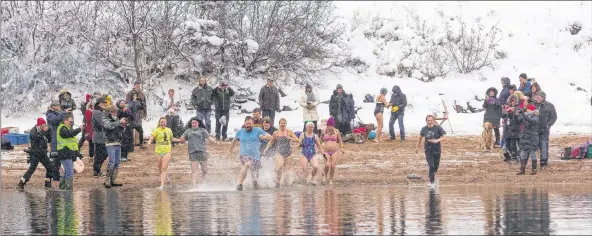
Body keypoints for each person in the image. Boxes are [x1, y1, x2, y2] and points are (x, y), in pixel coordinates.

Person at [230, 116, 273, 191]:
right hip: (244, 155)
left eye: (250, 124)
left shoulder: (257, 130)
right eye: (247, 124)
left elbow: (270, 137)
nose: (248, 125)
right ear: (244, 123)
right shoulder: (240, 132)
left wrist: (264, 137)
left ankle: (255, 191)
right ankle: (239, 184)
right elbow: (234, 141)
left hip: (256, 156)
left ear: (252, 124)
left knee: (255, 180)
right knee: (247, 164)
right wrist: (230, 150)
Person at [17, 118, 55, 190]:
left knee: (50, 168)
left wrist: (49, 130)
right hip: (35, 154)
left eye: (45, 125)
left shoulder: (44, 129)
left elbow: (49, 137)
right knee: (31, 169)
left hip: (43, 154)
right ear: (40, 125)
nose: (45, 126)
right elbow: (40, 137)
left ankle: (47, 184)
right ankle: (21, 182)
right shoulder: (33, 132)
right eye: (43, 125)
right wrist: (45, 131)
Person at [180, 117, 219, 186]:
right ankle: (195, 185)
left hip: (202, 152)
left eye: (195, 123)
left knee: (205, 170)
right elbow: (182, 140)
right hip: (192, 152)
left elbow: (209, 138)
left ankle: (202, 182)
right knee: (194, 171)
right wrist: (182, 139)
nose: (194, 124)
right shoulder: (188, 131)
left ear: (198, 123)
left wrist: (215, 142)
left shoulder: (202, 130)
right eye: (192, 123)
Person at [147, 117, 182, 190]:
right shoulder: (156, 130)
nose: (163, 123)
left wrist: (179, 140)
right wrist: (149, 142)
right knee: (159, 167)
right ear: (159, 123)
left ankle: (162, 186)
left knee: (164, 167)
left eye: (164, 122)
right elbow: (151, 138)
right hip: (158, 151)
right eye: (161, 122)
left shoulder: (169, 130)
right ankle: (166, 176)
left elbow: (171, 139)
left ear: (166, 123)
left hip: (167, 151)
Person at [264, 118, 300, 188]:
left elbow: (298, 141)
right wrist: (266, 149)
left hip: (288, 152)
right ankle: (278, 182)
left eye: (284, 123)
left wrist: (291, 138)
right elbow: (271, 141)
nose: (283, 124)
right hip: (279, 152)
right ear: (279, 124)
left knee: (287, 168)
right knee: (279, 166)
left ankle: (287, 182)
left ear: (286, 124)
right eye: (281, 123)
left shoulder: (289, 132)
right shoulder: (276, 133)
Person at [415, 115, 446, 188]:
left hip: (437, 149)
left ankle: (431, 175)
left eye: (431, 120)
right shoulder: (424, 129)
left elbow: (444, 137)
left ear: (433, 120)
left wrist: (437, 140)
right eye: (428, 120)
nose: (429, 122)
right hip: (428, 149)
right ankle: (432, 183)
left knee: (436, 166)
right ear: (426, 121)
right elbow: (420, 138)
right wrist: (417, 147)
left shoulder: (438, 128)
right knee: (431, 166)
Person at [102, 105, 127, 188]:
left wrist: (123, 126)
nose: (115, 113)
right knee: (112, 161)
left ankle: (113, 180)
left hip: (117, 142)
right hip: (110, 142)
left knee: (117, 162)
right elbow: (109, 126)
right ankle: (107, 180)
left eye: (116, 112)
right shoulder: (105, 119)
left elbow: (120, 129)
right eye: (114, 112)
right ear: (109, 112)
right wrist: (119, 122)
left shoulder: (116, 119)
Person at [56, 114, 83, 190]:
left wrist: (77, 154)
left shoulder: (67, 128)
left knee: (67, 172)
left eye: (72, 121)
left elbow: (72, 142)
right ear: (65, 121)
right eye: (70, 121)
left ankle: (61, 189)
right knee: (70, 172)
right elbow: (68, 135)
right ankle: (68, 190)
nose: (71, 123)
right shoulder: (62, 128)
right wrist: (79, 129)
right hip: (64, 153)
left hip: (68, 153)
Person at [46, 101, 68, 187]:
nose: (60, 107)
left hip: (58, 140)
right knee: (54, 163)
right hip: (54, 140)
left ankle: (53, 181)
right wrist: (63, 113)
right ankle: (52, 182)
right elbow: (55, 120)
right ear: (54, 107)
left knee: (56, 163)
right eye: (58, 106)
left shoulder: (57, 113)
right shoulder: (50, 114)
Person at [534, 91, 557, 169]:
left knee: (543, 145)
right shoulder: (533, 105)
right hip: (534, 129)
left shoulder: (549, 106)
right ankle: (532, 161)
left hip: (544, 129)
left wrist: (548, 124)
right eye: (536, 97)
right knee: (534, 145)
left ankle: (543, 162)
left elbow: (554, 117)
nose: (536, 98)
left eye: (538, 97)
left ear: (543, 97)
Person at [299, 122, 325, 186]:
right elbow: (298, 143)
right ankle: (306, 182)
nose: (311, 128)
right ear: (306, 127)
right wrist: (300, 145)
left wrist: (323, 154)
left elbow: (319, 146)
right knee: (305, 169)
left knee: (315, 166)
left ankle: (313, 178)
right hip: (304, 153)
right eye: (309, 127)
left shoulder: (315, 136)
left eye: (312, 127)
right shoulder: (302, 134)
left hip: (312, 154)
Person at [516, 104, 540, 175]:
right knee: (523, 154)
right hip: (525, 137)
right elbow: (519, 121)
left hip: (532, 138)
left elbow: (530, 121)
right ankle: (522, 169)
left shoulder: (535, 117)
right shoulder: (525, 115)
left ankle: (534, 169)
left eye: (529, 109)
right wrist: (516, 115)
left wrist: (523, 114)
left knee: (533, 154)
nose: (527, 110)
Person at [320, 117, 343, 185]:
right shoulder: (324, 131)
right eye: (329, 125)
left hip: (334, 151)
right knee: (327, 165)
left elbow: (340, 140)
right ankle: (325, 176)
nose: (331, 127)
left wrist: (341, 148)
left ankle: (331, 179)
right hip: (326, 151)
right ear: (327, 125)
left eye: (332, 125)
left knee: (333, 166)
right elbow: (320, 140)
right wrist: (320, 148)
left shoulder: (336, 131)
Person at [91, 97, 109, 177]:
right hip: (99, 136)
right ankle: (96, 171)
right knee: (100, 154)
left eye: (105, 103)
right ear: (98, 104)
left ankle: (97, 170)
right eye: (103, 103)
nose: (105, 104)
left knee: (102, 154)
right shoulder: (97, 112)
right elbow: (103, 123)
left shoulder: (100, 111)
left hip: (101, 135)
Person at [126, 80, 147, 149]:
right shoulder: (130, 93)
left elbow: (144, 104)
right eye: (136, 84)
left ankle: (138, 142)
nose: (138, 85)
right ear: (134, 85)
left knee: (139, 128)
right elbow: (127, 103)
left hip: (140, 113)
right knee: (131, 128)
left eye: (139, 84)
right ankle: (131, 143)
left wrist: (145, 113)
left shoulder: (142, 94)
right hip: (132, 114)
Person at [502, 94, 521, 162]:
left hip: (514, 130)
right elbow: (504, 117)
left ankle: (515, 156)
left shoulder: (518, 109)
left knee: (513, 145)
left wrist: (514, 114)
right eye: (511, 101)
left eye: (514, 101)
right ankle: (511, 156)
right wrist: (505, 111)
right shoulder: (507, 108)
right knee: (507, 144)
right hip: (507, 129)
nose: (512, 102)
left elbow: (519, 120)